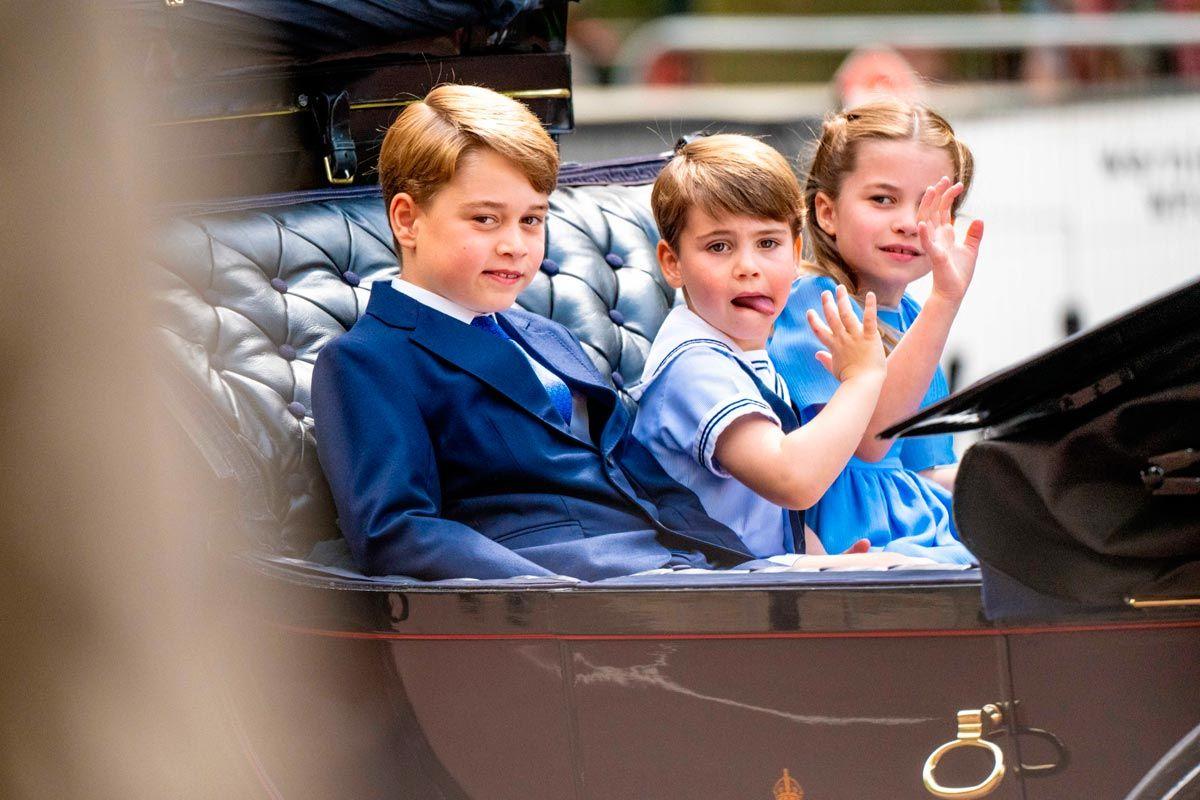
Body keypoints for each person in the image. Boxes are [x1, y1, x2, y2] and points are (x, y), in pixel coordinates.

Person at [311, 84, 760, 582]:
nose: (515, 245)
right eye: (485, 219)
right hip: (568, 598)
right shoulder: (369, 360)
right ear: (407, 219)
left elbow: (650, 481)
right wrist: (554, 595)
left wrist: (763, 575)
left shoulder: (548, 335)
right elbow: (398, 531)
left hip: (679, 573)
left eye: (531, 220)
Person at [630, 134, 893, 559]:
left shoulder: (744, 354)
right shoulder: (694, 367)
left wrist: (823, 563)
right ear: (672, 263)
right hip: (710, 596)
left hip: (757, 583)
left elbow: (770, 516)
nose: (748, 268)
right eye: (719, 246)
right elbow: (792, 480)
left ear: (796, 251)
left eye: (768, 243)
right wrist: (862, 379)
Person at [769, 99, 985, 564]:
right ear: (826, 213)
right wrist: (945, 301)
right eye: (882, 199)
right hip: (851, 538)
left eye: (930, 205)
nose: (908, 223)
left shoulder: (911, 318)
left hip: (916, 528)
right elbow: (870, 442)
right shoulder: (812, 299)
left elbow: (922, 469)